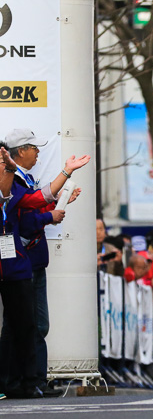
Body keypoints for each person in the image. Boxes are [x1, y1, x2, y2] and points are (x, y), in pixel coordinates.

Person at [0, 144, 90, 398]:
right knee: (14, 327)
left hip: (13, 263)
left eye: (5, 161)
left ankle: (26, 383)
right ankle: (10, 382)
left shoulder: (16, 189)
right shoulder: (11, 184)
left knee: (27, 324)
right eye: (2, 163)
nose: (5, 166)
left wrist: (66, 171)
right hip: (9, 261)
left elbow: (42, 197)